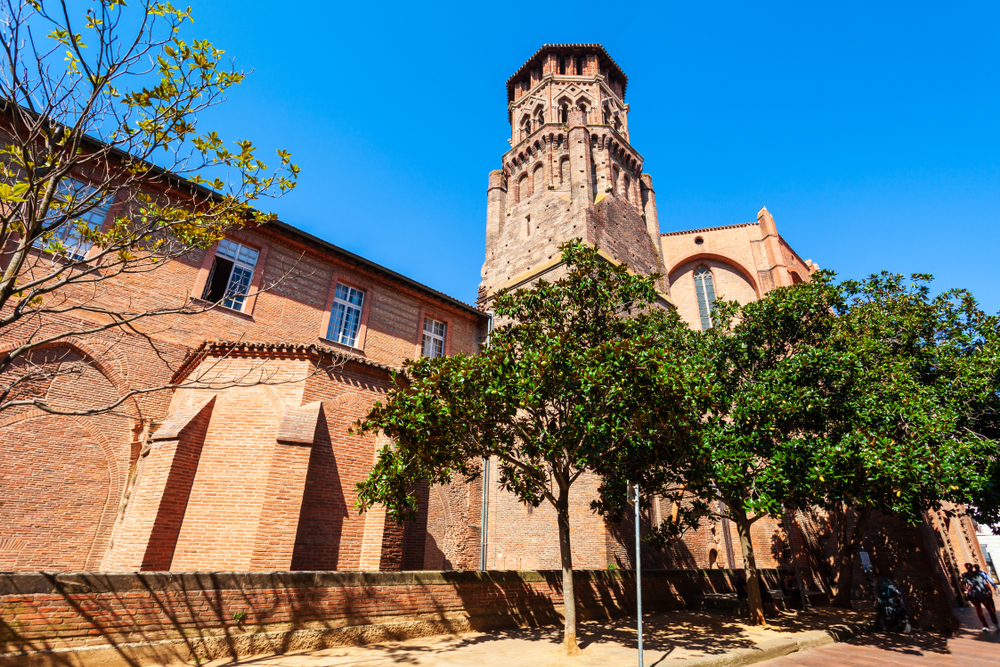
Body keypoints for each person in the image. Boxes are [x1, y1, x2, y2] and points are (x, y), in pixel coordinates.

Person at [963, 562, 998, 632]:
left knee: (990, 610)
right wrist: (967, 587)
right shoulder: (965, 576)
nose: (968, 568)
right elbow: (964, 584)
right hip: (974, 596)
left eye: (969, 567)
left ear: (971, 567)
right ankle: (985, 626)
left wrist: (988, 591)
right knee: (979, 611)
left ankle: (996, 624)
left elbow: (986, 583)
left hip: (983, 594)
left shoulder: (979, 575)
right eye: (967, 567)